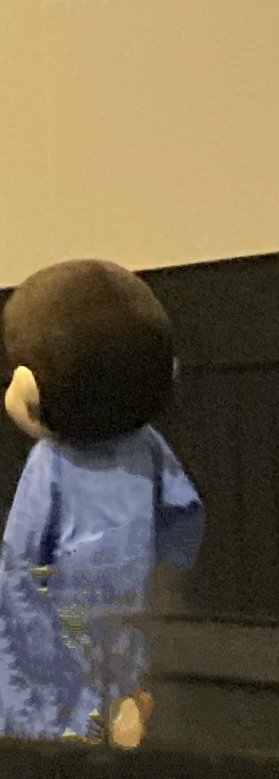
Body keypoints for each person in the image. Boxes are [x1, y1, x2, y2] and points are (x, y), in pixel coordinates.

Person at [0, 260, 204, 746]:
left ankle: (76, 730)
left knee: (65, 671)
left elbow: (22, 548)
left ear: (30, 390)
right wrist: (171, 569)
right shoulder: (149, 444)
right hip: (134, 592)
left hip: (67, 597)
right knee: (123, 661)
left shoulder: (50, 460)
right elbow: (183, 510)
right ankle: (120, 713)